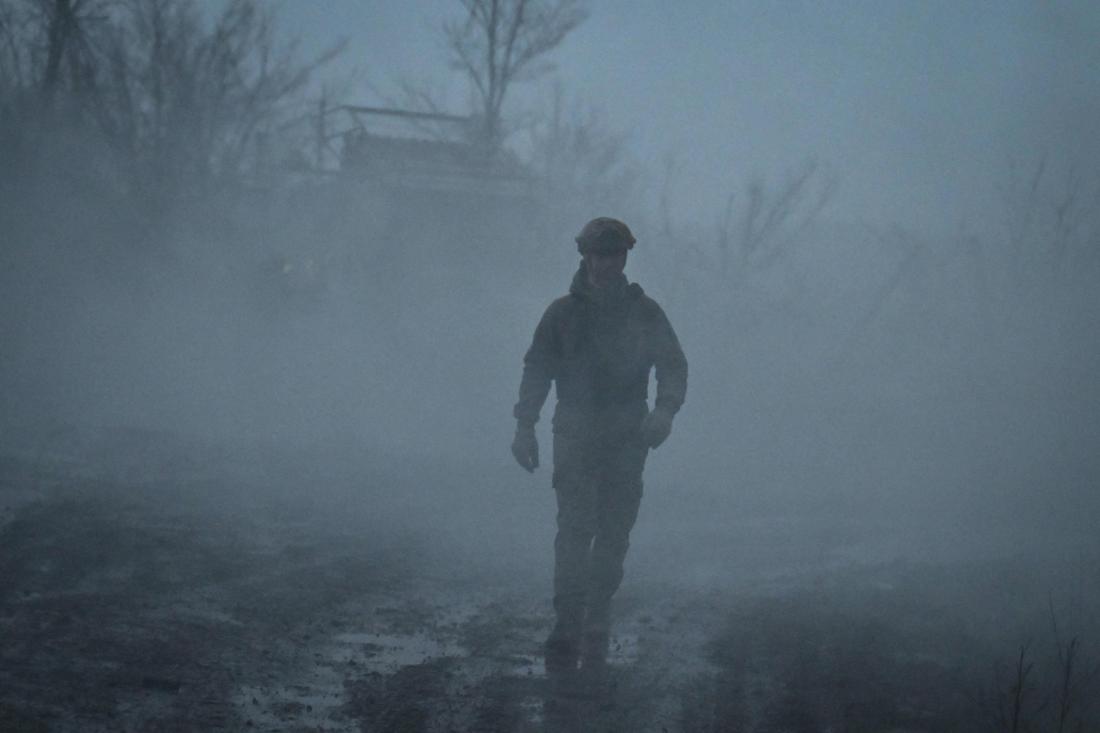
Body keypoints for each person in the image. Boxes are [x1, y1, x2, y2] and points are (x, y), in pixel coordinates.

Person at [511, 217, 688, 674]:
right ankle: (568, 622)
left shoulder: (644, 313)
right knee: (574, 527)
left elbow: (673, 366)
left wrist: (664, 411)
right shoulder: (562, 314)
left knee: (614, 528)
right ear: (583, 256)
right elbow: (537, 368)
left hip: (628, 432)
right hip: (574, 430)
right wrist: (524, 425)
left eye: (611, 254)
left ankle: (598, 614)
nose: (602, 263)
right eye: (595, 254)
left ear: (624, 257)